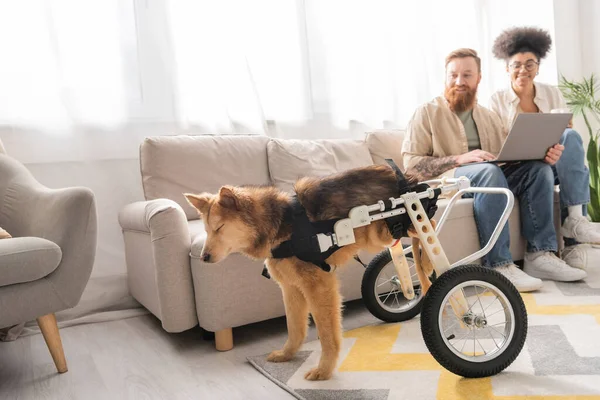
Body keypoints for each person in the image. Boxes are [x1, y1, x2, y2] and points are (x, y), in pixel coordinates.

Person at [401, 48, 587, 292]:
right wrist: (459, 159)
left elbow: (506, 160)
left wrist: (543, 157)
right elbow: (412, 167)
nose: (459, 81)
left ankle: (540, 256)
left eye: (467, 75)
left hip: (490, 177)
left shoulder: (489, 117)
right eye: (453, 75)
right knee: (488, 172)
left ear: (479, 78)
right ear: (445, 77)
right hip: (449, 183)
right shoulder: (426, 113)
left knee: (537, 170)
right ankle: (499, 265)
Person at [488, 26, 600, 270]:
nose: (523, 70)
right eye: (516, 64)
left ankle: (576, 220)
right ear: (507, 68)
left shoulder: (551, 93)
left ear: (538, 67)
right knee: (543, 170)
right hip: (521, 167)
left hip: (555, 161)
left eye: (530, 64)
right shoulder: (496, 101)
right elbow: (499, 146)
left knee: (570, 136)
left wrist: (555, 151)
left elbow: (564, 134)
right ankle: (566, 241)